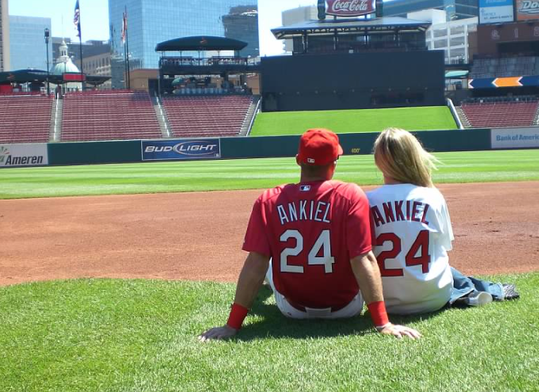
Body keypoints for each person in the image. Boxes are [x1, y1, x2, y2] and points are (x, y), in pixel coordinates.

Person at [199, 128, 421, 340]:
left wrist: (232, 325)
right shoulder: (351, 195)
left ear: (298, 160)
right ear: (334, 162)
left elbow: (254, 264)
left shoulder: (268, 200)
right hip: (346, 308)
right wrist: (383, 323)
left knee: (263, 257)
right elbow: (363, 259)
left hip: (291, 309)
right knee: (360, 251)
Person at [366, 128, 519, 315]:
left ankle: (473, 290)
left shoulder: (366, 200)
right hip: (435, 299)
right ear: (414, 156)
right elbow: (444, 247)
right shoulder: (432, 196)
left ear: (378, 161)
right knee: (444, 264)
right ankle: (481, 289)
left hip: (383, 301)